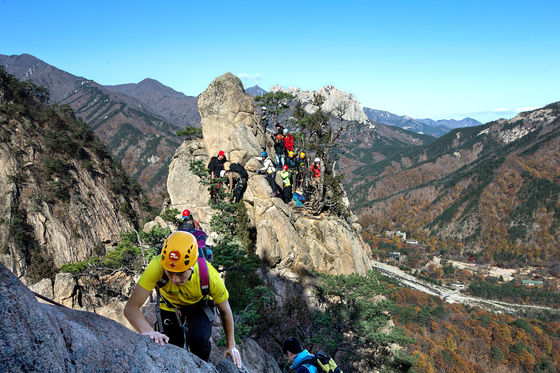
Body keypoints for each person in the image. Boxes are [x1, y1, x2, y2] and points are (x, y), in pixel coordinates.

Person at [124, 231, 242, 369]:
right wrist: (149, 331)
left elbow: (225, 310)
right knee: (169, 345)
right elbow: (131, 308)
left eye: (181, 274)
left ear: (192, 265)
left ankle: (203, 368)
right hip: (169, 305)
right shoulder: (157, 266)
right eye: (169, 273)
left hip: (199, 305)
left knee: (198, 340)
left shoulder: (209, 276)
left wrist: (231, 346)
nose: (174, 279)